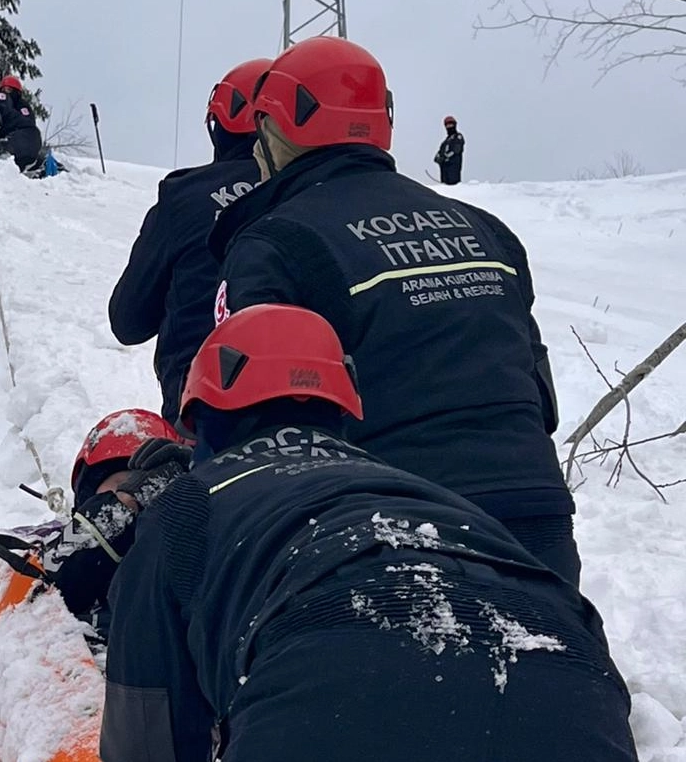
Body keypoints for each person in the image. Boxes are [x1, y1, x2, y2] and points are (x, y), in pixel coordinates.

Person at [101, 304, 638, 762]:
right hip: (567, 667)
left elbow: (148, 737)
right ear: (345, 405)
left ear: (203, 410)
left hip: (327, 667)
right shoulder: (420, 490)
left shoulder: (186, 505)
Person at [209, 36, 581, 584]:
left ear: (276, 129)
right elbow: (538, 392)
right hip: (536, 522)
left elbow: (254, 423)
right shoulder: (486, 231)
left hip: (384, 529)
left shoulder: (275, 244)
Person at [108, 58, 269, 424]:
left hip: (202, 412)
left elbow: (128, 320)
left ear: (220, 126)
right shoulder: (322, 195)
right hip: (320, 411)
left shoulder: (184, 197)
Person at [25, 408, 184, 642]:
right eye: (122, 485)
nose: (137, 495)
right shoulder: (53, 549)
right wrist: (118, 509)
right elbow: (50, 584)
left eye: (149, 490)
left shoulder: (182, 560)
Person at [436, 114, 465, 184]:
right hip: (444, 169)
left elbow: (456, 149)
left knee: (453, 185)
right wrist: (437, 158)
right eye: (447, 125)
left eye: (451, 124)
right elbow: (440, 152)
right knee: (445, 186)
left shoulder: (458, 137)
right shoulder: (445, 141)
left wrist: (445, 157)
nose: (449, 126)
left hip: (453, 167)